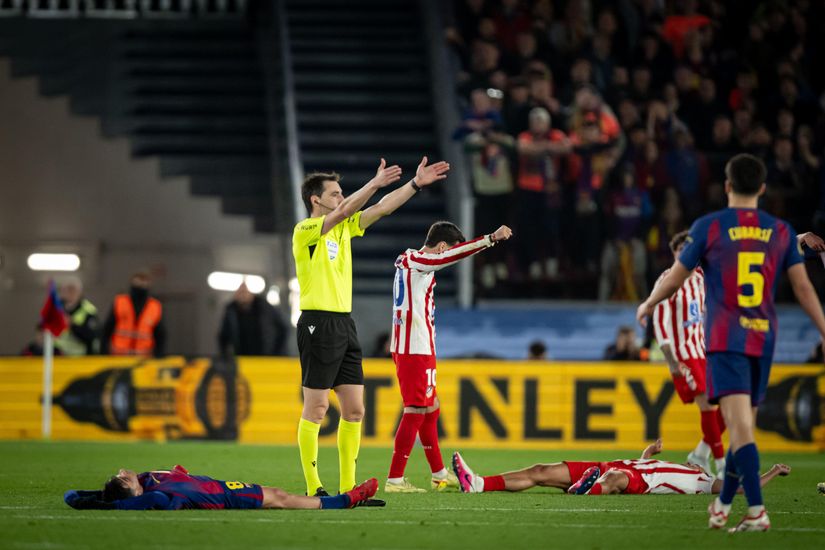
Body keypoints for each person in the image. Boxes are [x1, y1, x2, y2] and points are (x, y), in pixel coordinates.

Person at [636, 154, 825, 532]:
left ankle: (755, 512)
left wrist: (649, 303)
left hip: (727, 339)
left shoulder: (709, 226)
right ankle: (724, 504)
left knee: (739, 429)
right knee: (743, 427)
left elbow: (676, 277)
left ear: (726, 186)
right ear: (762, 189)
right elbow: (803, 287)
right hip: (764, 337)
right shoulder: (778, 229)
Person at [292, 156, 449, 497]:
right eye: (334, 193)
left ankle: (348, 487)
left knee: (355, 409)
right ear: (315, 200)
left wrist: (414, 185)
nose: (340, 197)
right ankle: (313, 486)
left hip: (344, 323)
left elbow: (381, 208)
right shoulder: (306, 230)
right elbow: (345, 211)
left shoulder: (345, 228)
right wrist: (375, 182)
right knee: (316, 408)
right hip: (317, 321)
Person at [386, 221, 513, 493]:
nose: (448, 258)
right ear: (442, 247)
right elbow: (450, 257)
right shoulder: (417, 260)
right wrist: (490, 238)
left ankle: (438, 473)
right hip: (413, 348)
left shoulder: (410, 261)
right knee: (416, 409)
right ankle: (395, 480)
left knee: (431, 408)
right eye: (448, 252)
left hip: (420, 346)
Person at [451, 439, 790, 496]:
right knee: (541, 469)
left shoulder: (704, 482)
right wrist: (649, 450)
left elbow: (743, 489)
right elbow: (644, 461)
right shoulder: (673, 464)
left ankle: (586, 489)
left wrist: (772, 472)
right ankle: (478, 483)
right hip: (610, 465)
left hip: (634, 480)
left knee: (615, 479)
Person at [651, 230, 726, 477]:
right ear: (674, 253)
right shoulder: (667, 280)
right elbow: (660, 323)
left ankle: (701, 454)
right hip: (683, 355)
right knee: (707, 405)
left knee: (730, 403)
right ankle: (722, 466)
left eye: (690, 248)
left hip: (704, 352)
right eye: (680, 249)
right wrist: (671, 361)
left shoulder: (702, 277)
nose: (686, 253)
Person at [64, 464, 378, 511]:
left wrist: (87, 495)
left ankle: (343, 499)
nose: (124, 471)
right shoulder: (157, 496)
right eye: (123, 478)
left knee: (276, 492)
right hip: (225, 496)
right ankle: (345, 500)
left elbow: (74, 496)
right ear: (130, 491)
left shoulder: (149, 480)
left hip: (218, 485)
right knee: (279, 497)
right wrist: (92, 503)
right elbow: (122, 505)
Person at [101, 271, 166, 357]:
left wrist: (158, 355)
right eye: (138, 281)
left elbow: (160, 334)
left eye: (144, 281)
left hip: (143, 357)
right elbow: (107, 329)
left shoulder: (155, 306)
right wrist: (104, 352)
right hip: (119, 356)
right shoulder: (120, 302)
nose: (141, 285)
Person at [218, 282, 288, 357]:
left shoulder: (265, 307)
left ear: (251, 294)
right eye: (240, 292)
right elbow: (223, 336)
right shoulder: (231, 311)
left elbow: (283, 328)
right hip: (242, 357)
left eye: (245, 292)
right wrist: (225, 355)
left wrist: (277, 353)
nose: (243, 295)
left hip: (266, 358)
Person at [54, 277, 99, 356]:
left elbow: (92, 337)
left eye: (72, 289)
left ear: (79, 292)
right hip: (58, 358)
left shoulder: (89, 310)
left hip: (80, 360)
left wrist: (72, 325)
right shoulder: (55, 309)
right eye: (66, 289)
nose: (69, 292)